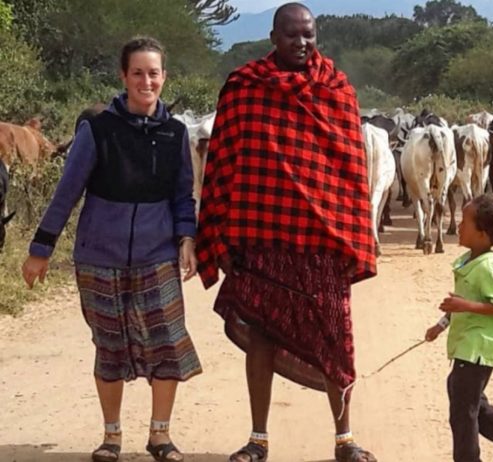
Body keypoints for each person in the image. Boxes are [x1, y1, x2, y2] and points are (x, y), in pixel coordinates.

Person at [195, 3, 377, 462]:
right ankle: (257, 439)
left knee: (337, 336)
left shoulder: (337, 91)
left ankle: (345, 440)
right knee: (261, 336)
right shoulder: (244, 89)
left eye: (309, 35)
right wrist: (225, 236)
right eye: (292, 35)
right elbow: (224, 164)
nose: (302, 43)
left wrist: (352, 235)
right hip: (260, 239)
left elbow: (352, 173)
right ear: (273, 38)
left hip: (321, 245)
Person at [21, 36, 201, 462]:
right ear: (123, 77)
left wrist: (187, 239)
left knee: (168, 344)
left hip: (157, 255)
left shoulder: (175, 134)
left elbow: (182, 194)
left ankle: (160, 436)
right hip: (99, 257)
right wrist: (40, 247)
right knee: (110, 346)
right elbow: (67, 192)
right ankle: (111, 437)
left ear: (164, 77)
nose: (146, 81)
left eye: (153, 73)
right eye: (137, 72)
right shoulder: (98, 130)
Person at [425, 194, 493, 462]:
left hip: (478, 348)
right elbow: (462, 302)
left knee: (463, 413)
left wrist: (464, 305)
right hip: (466, 345)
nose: (459, 226)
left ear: (483, 234)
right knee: (466, 399)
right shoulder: (468, 261)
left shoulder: (488, 268)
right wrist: (440, 325)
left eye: (465, 222)